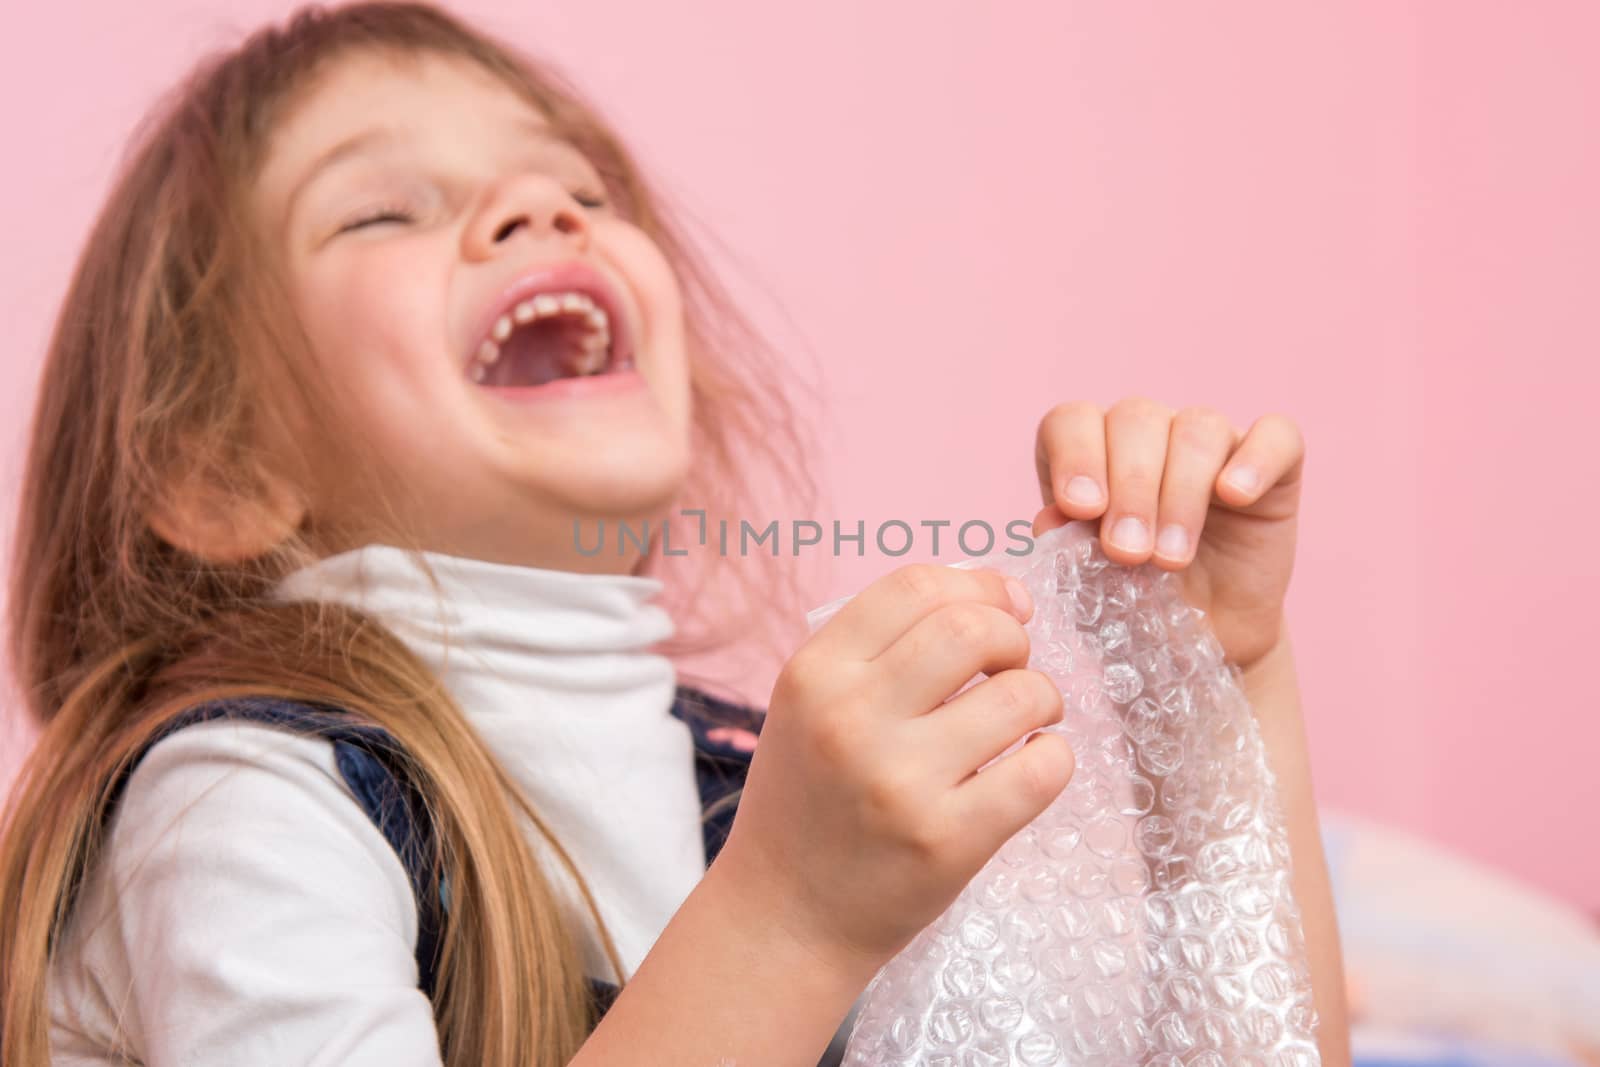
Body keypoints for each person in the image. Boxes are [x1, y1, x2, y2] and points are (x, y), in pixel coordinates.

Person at [0, 3, 1350, 1064]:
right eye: (384, 209)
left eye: (578, 186)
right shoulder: (243, 803)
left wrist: (1216, 682)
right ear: (220, 465)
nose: (545, 213)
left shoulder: (758, 795)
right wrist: (785, 921)